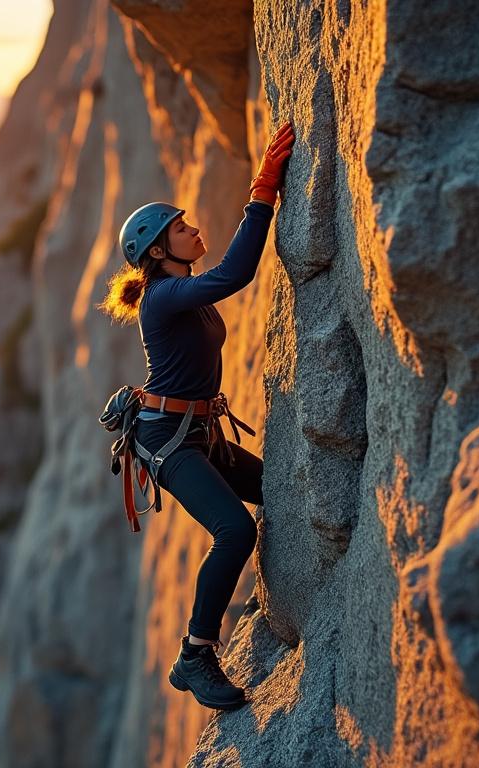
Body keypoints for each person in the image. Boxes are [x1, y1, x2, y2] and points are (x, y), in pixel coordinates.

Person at [96, 121, 295, 711]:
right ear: (159, 252)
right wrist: (263, 192)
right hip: (170, 443)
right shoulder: (162, 296)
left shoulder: (182, 291)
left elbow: (218, 279)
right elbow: (237, 274)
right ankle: (194, 656)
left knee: (279, 493)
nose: (193, 228)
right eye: (181, 229)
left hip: (201, 433)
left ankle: (271, 594)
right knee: (234, 530)